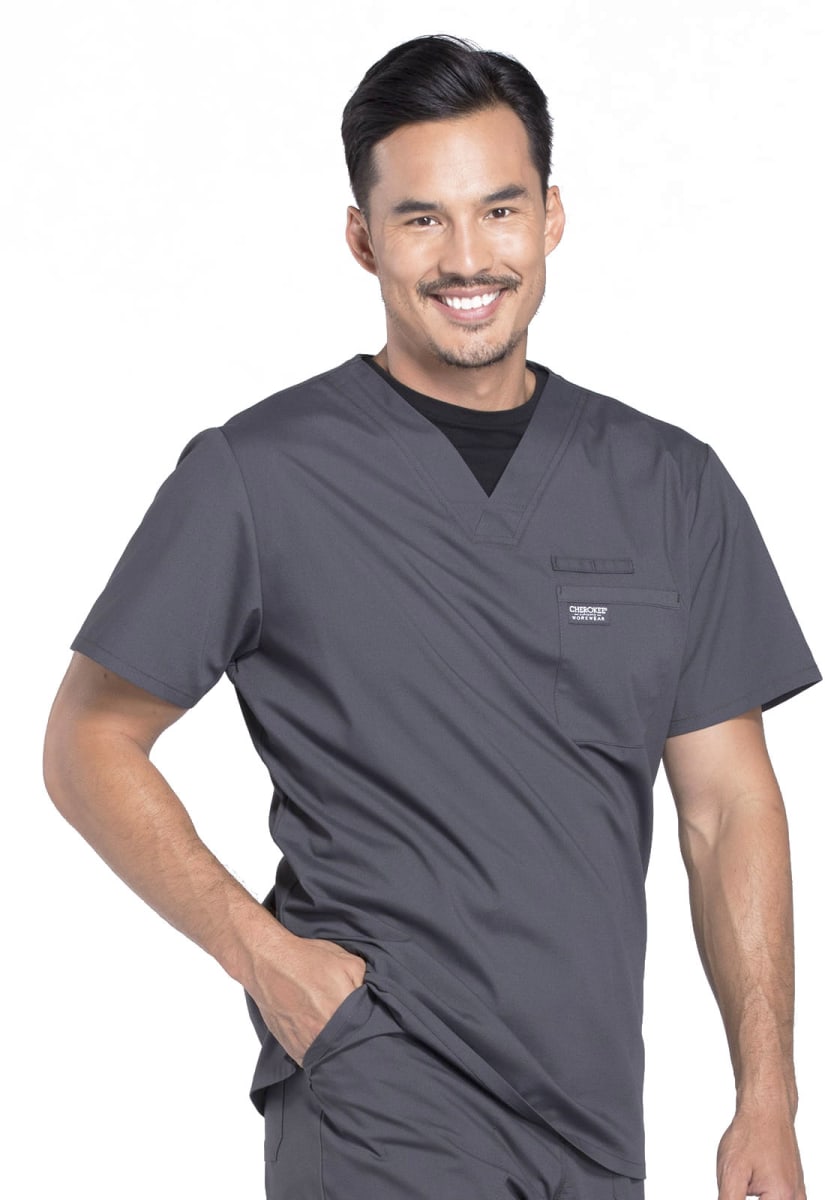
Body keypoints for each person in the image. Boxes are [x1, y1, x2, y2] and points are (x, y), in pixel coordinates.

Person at [43, 33, 819, 1200]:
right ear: (363, 239)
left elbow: (726, 808)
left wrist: (766, 1095)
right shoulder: (261, 476)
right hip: (379, 1092)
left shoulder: (669, 486)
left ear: (551, 217)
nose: (467, 257)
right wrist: (265, 958)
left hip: (595, 1124)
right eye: (421, 220)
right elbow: (87, 739)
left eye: (499, 211)